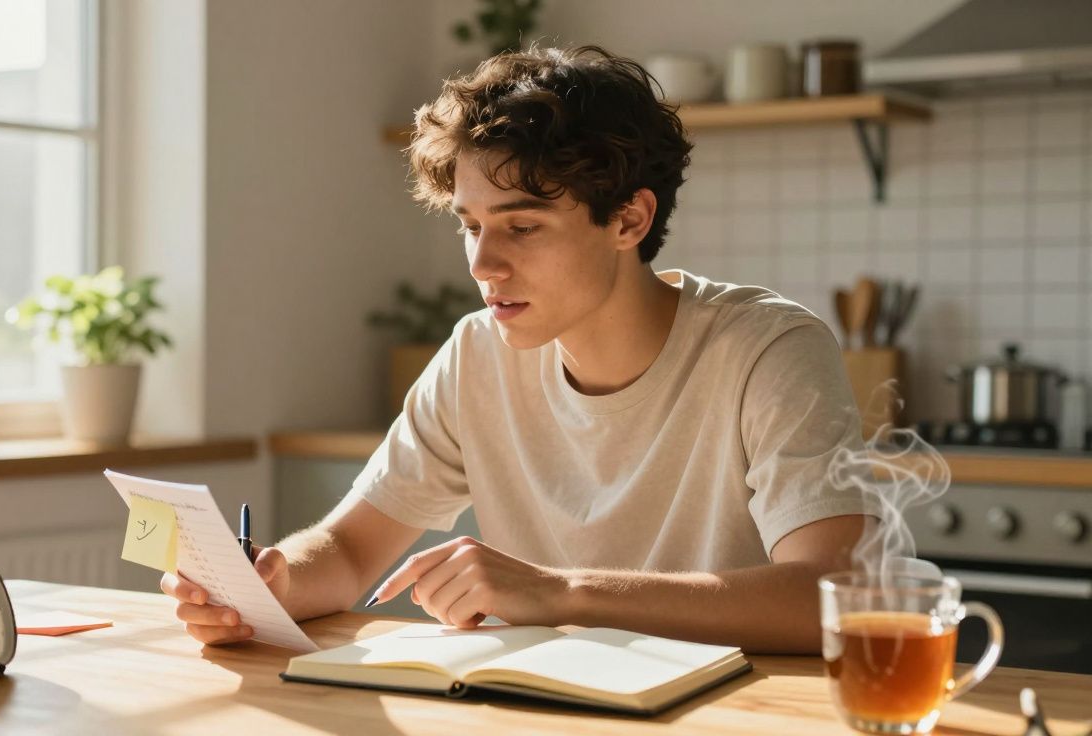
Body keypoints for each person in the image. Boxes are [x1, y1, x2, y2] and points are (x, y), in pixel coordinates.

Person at [162, 44, 873, 654]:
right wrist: (272, 581)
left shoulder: (767, 350)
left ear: (629, 218)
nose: (481, 264)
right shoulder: (477, 354)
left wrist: (562, 592)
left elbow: (829, 596)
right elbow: (349, 551)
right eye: (470, 226)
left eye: (521, 227)